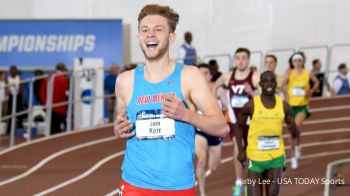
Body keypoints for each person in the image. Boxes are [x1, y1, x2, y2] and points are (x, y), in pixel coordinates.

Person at [113, 4, 227, 196]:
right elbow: (121, 122)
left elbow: (222, 127)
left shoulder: (190, 76)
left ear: (171, 37)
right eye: (145, 30)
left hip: (178, 186)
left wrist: (187, 115)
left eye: (158, 30)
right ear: (139, 37)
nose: (150, 34)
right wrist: (118, 129)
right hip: (135, 182)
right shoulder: (125, 81)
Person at [236, 71, 299, 196]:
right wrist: (241, 150)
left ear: (276, 84)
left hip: (276, 158)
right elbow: (238, 126)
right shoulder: (251, 105)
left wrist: (294, 130)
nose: (269, 84)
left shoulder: (284, 106)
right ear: (260, 84)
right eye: (265, 81)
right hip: (255, 158)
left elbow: (293, 128)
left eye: (272, 81)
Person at [223, 47, 260, 196]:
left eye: (243, 58)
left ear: (248, 60)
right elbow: (215, 88)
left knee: (250, 152)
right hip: (234, 121)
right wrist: (223, 103)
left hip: (251, 121)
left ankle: (250, 181)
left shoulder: (255, 76)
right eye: (238, 58)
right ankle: (239, 183)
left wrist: (252, 91)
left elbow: (266, 96)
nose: (240, 61)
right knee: (238, 147)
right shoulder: (228, 75)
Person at [282, 52, 319, 170]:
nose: (297, 63)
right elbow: (282, 86)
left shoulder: (307, 72)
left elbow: (317, 82)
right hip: (291, 106)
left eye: (299, 60)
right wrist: (286, 95)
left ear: (302, 62)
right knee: (293, 131)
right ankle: (295, 150)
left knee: (295, 126)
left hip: (302, 106)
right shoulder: (289, 72)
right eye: (295, 61)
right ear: (292, 62)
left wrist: (312, 90)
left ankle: (294, 156)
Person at [195, 63, 225, 196]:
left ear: (211, 75)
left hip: (215, 131)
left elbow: (228, 107)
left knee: (214, 166)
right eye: (200, 72)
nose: (202, 75)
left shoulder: (218, 89)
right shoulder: (192, 90)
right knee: (201, 161)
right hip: (199, 131)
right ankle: (202, 193)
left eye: (206, 73)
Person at [40, 63, 69, 135]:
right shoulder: (64, 79)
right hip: (59, 107)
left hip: (48, 105)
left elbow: (41, 92)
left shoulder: (47, 78)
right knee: (56, 127)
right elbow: (63, 93)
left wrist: (45, 103)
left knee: (51, 126)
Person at [6, 65, 24, 135]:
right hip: (10, 97)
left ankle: (20, 129)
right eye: (12, 70)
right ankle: (9, 130)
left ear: (16, 71)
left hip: (18, 96)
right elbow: (6, 88)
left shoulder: (19, 78)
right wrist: (8, 92)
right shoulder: (7, 78)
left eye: (14, 70)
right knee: (10, 113)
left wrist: (21, 97)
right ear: (10, 71)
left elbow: (22, 88)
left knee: (19, 113)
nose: (13, 71)